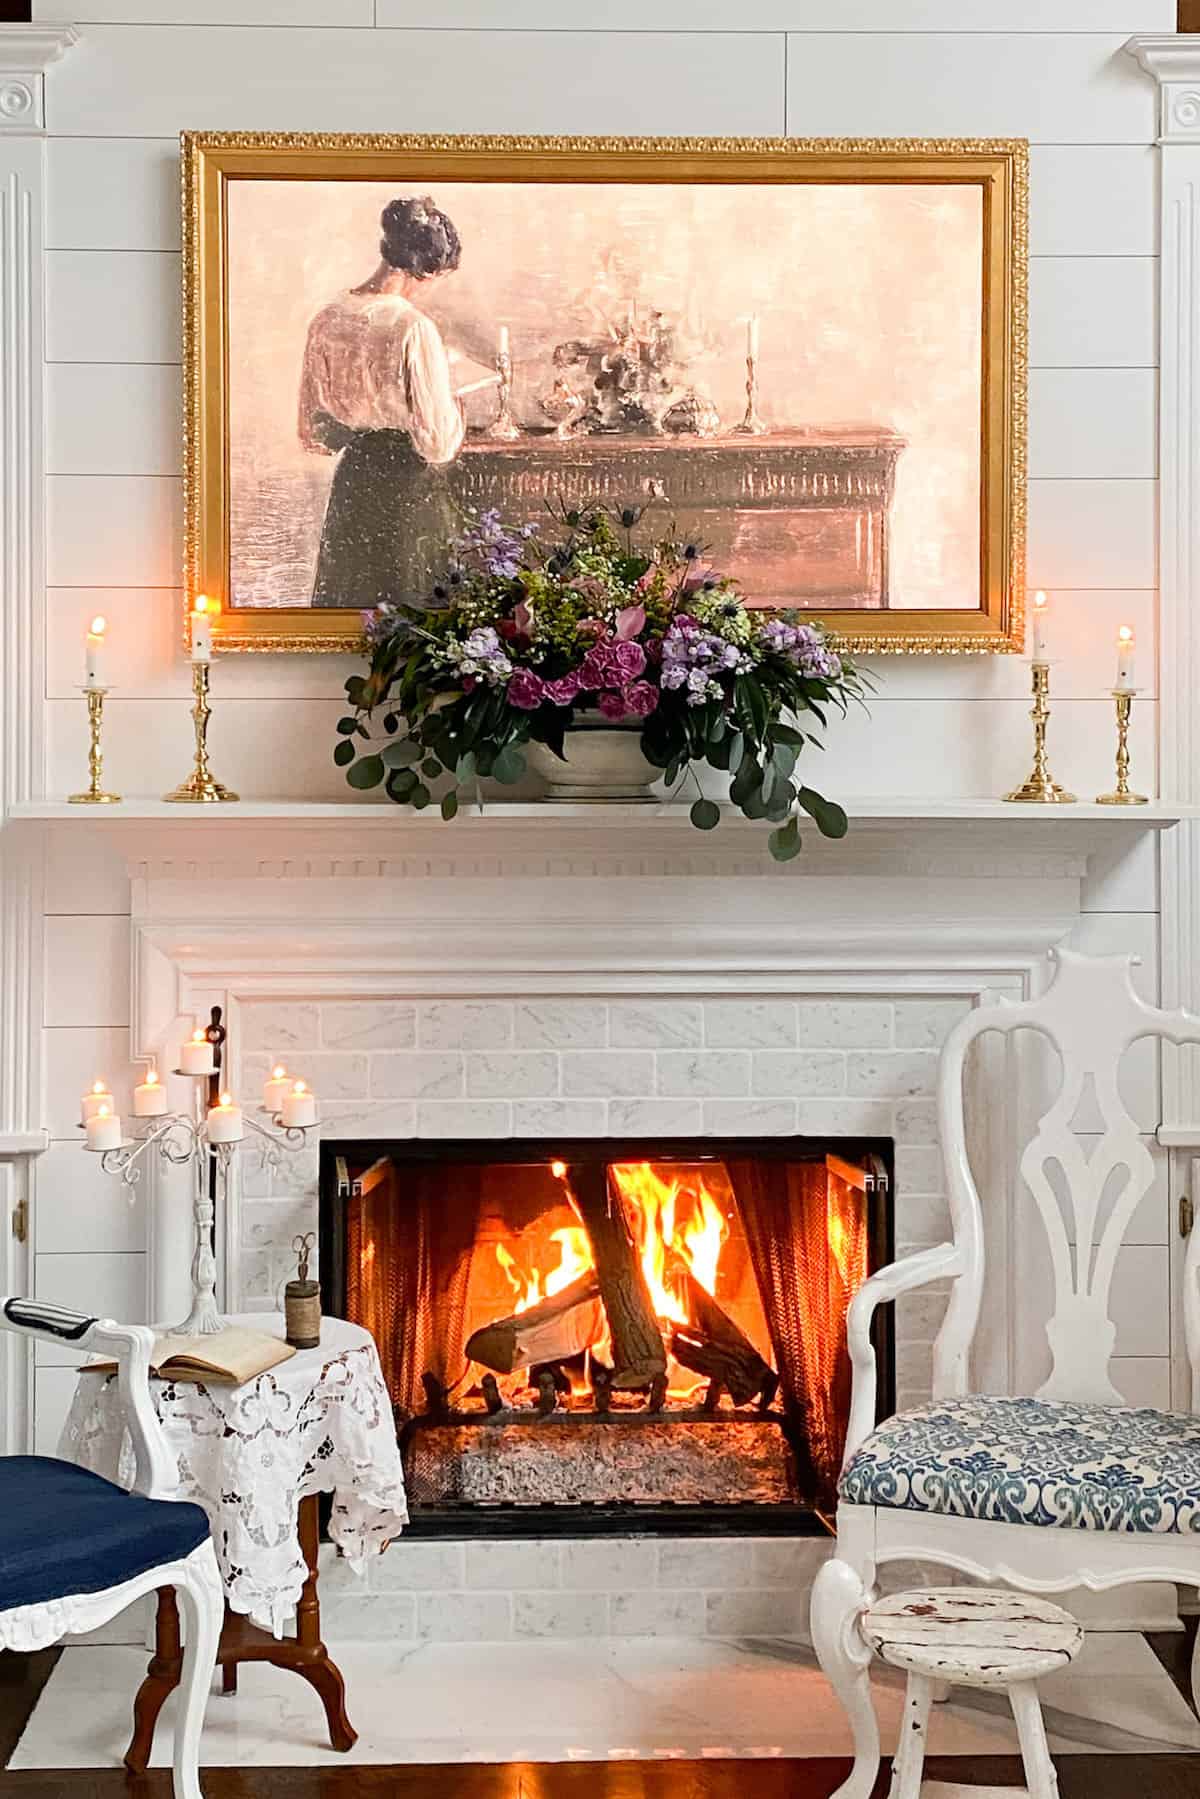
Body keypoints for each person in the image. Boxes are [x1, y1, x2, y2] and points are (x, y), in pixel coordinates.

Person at [299, 196, 466, 608]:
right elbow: (438, 443)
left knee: (350, 607)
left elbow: (312, 432)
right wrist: (456, 403)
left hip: (353, 485)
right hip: (406, 490)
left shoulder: (326, 319)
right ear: (425, 269)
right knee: (410, 615)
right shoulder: (413, 327)